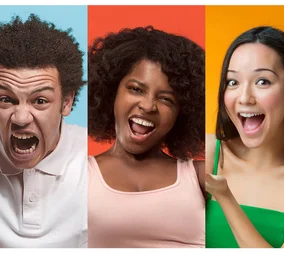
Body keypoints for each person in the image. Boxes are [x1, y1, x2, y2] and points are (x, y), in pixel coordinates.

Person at [0, 14, 87, 247]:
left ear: (66, 102)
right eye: (6, 99)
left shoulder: (91, 160)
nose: (21, 118)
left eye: (40, 101)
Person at [87, 26, 206, 247]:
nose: (148, 105)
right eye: (136, 89)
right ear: (112, 92)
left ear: (182, 113)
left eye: (166, 99)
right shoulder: (76, 175)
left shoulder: (198, 177)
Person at [205, 26, 284, 248]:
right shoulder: (210, 151)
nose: (245, 97)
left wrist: (225, 198)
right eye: (233, 82)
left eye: (262, 82)